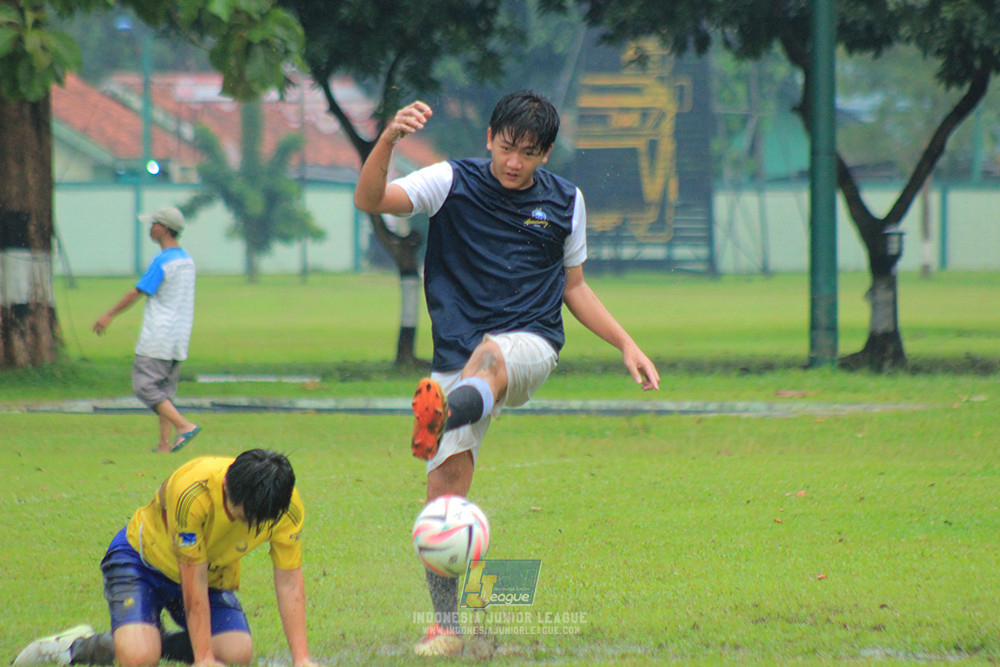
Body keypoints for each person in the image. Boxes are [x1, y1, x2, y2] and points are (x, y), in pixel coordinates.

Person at [354, 90, 661, 656]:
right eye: (507, 147)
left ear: (546, 153)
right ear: (490, 137)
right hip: (456, 358)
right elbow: (370, 199)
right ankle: (447, 627)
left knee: (492, 355)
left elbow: (575, 287)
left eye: (529, 152)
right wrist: (390, 138)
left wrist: (626, 343)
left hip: (530, 344)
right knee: (444, 501)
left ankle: (443, 413)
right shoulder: (451, 181)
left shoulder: (566, 201)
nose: (515, 161)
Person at [12, 449, 319, 667]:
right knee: (138, 659)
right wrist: (203, 659)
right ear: (227, 485)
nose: (249, 527)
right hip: (142, 562)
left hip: (209, 572)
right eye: (243, 516)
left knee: (237, 653)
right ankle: (72, 647)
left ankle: (141, 638)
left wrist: (302, 659)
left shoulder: (284, 506)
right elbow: (193, 580)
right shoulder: (193, 492)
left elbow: (289, 581)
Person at [93, 206, 200, 453]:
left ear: (163, 228)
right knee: (164, 392)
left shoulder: (163, 261)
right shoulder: (187, 261)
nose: (150, 228)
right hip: (179, 336)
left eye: (153, 224)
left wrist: (109, 315)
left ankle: (184, 426)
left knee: (144, 387)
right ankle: (164, 443)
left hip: (158, 335)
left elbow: (137, 292)